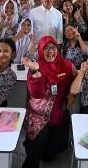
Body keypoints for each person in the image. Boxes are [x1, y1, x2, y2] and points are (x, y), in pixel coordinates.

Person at [21, 36, 76, 168]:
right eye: (46, 48)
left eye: (53, 48)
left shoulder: (67, 66)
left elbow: (78, 79)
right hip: (38, 115)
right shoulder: (35, 67)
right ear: (40, 50)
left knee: (48, 155)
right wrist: (36, 71)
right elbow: (36, 94)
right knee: (35, 152)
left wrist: (72, 94)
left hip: (59, 115)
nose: (50, 51)